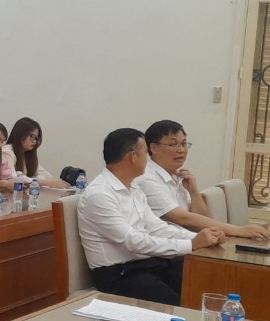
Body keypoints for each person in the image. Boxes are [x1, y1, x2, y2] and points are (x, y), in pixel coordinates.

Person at [78, 128, 226, 306]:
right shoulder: (100, 195)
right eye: (145, 154)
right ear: (133, 156)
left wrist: (202, 238)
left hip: (148, 264)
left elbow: (156, 227)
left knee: (205, 280)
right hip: (119, 274)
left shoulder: (133, 187)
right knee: (180, 306)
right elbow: (133, 241)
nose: (148, 161)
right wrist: (191, 244)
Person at [135, 120, 270, 242]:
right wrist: (239, 230)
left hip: (189, 242)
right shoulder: (146, 178)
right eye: (173, 144)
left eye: (184, 144)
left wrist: (193, 191)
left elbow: (200, 218)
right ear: (153, 148)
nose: (181, 150)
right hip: (165, 248)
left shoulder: (178, 176)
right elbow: (182, 218)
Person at [3, 117, 71, 188]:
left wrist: (56, 183)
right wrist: (45, 182)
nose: (35, 141)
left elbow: (45, 175)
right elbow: (13, 178)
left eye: (36, 138)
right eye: (32, 137)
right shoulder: (7, 151)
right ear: (21, 134)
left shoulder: (26, 154)